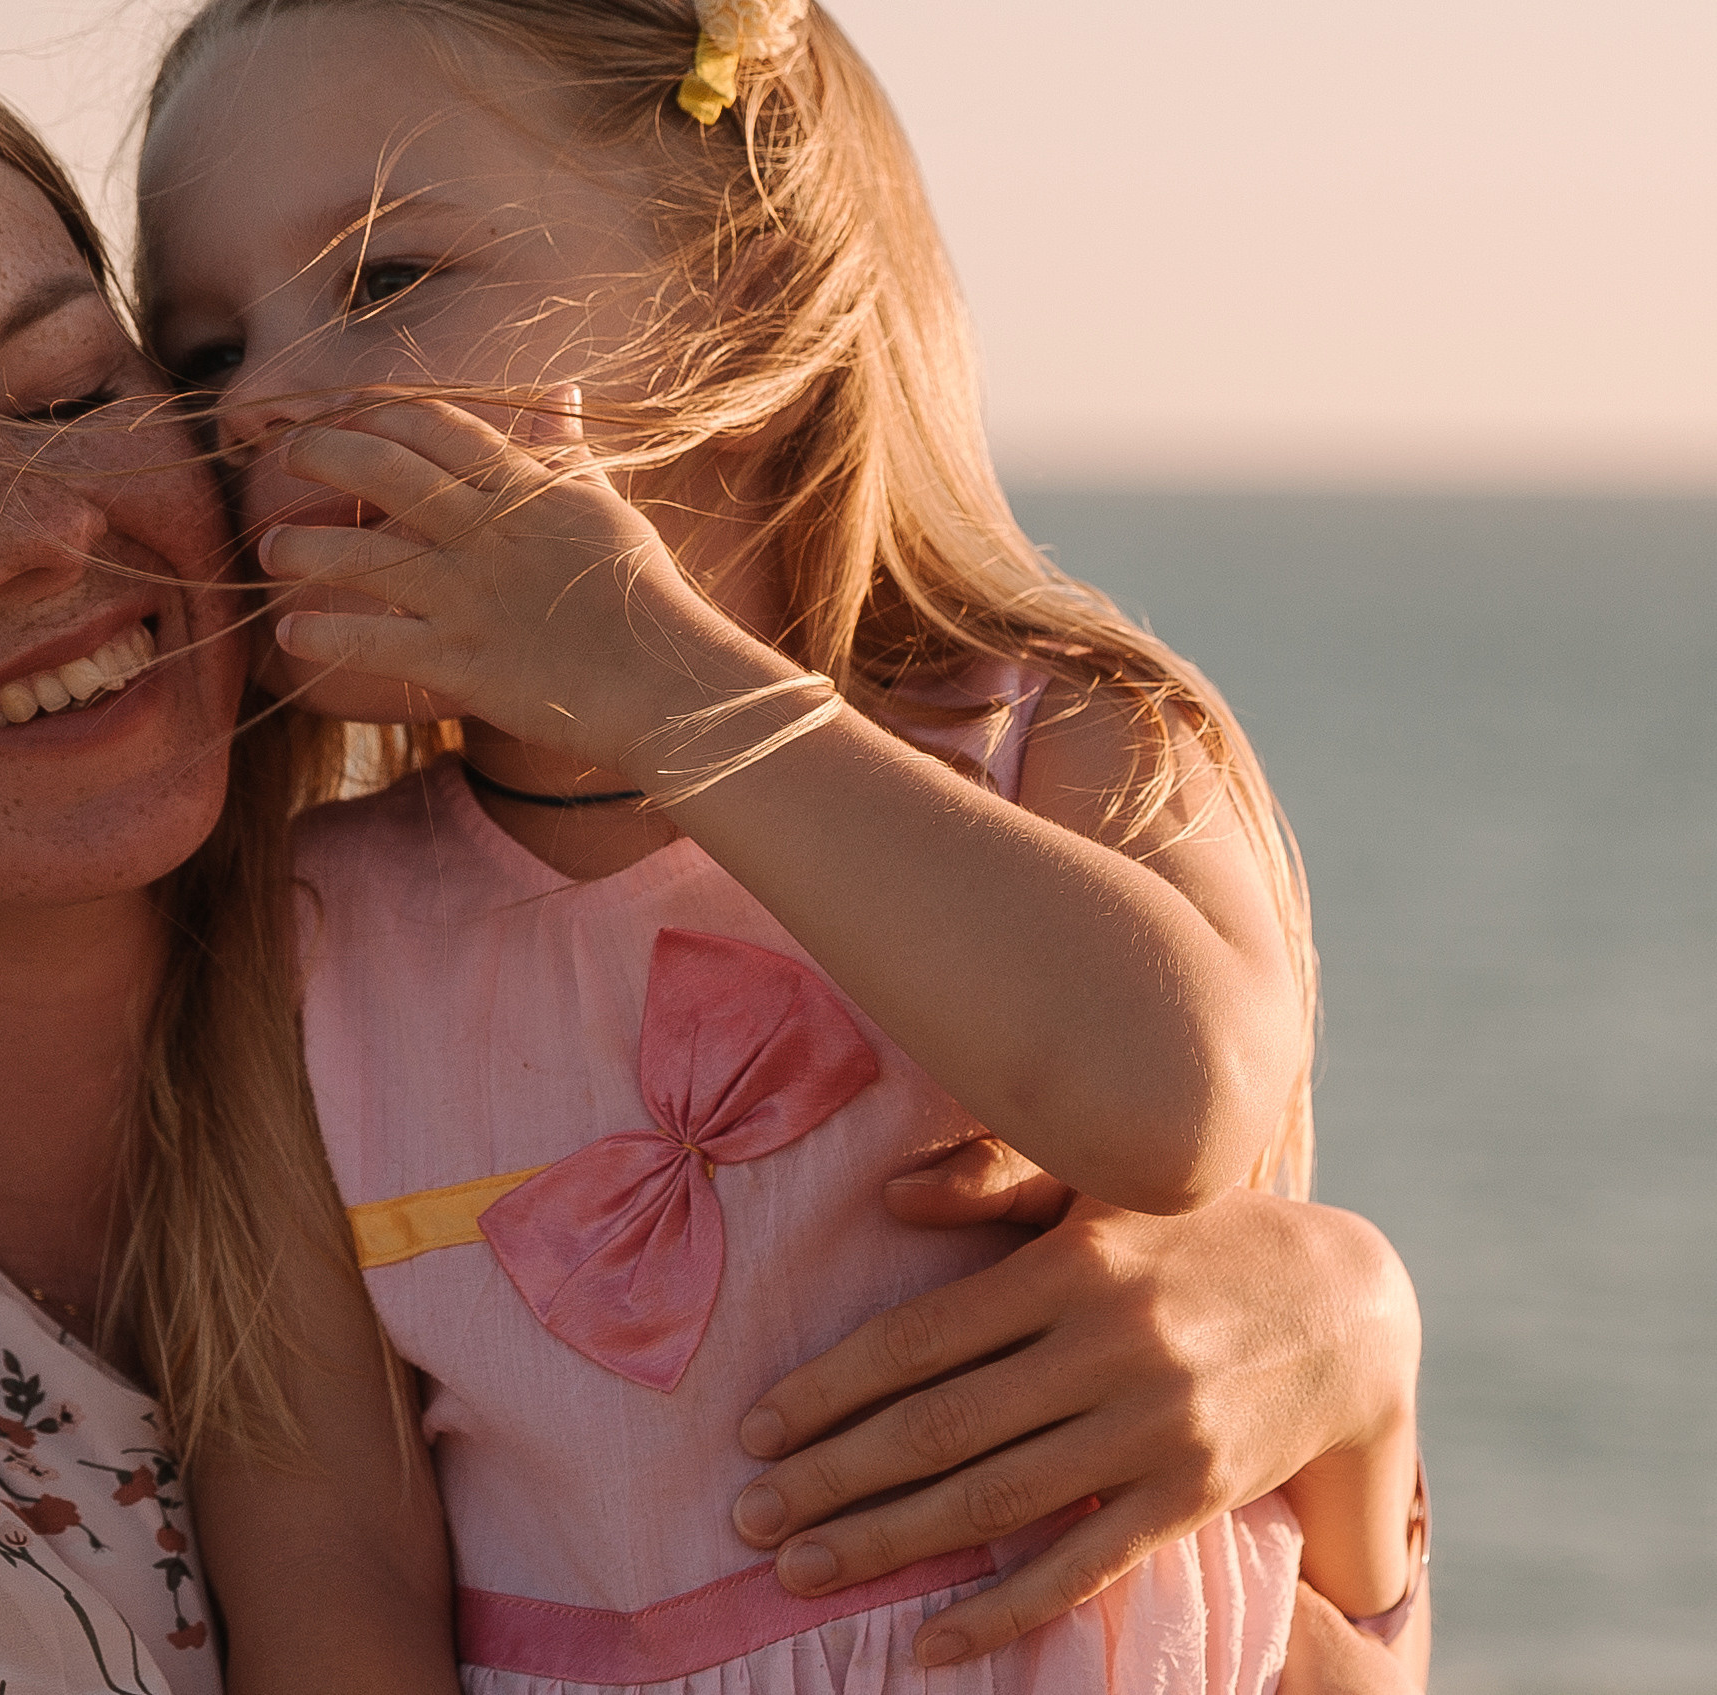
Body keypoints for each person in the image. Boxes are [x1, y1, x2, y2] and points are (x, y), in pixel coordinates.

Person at [0, 6, 1422, 1694]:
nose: (56, 524)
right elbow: (327, 1533)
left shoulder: (984, 769)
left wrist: (1340, 1338)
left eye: (75, 383)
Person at [136, 0, 1428, 1688]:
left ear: (738, 284)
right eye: (201, 355)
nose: (265, 400)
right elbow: (329, 1548)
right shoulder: (299, 937)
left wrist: (666, 685)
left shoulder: (1055, 732)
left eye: (385, 280)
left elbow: (1173, 1106)